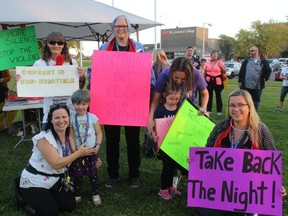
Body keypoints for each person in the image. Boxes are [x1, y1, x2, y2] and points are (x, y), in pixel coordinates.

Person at [198, 89, 287, 215]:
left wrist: (278, 184)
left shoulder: (260, 130)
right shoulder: (221, 126)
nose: (236, 109)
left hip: (249, 187)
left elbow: (272, 160)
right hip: (221, 185)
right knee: (208, 213)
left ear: (249, 107)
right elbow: (208, 151)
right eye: (232, 105)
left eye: (241, 105)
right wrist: (198, 160)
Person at [99, 15, 155, 188]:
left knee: (133, 141)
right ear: (113, 28)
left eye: (124, 26)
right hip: (111, 104)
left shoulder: (138, 48)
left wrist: (149, 90)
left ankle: (134, 175)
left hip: (133, 104)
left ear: (128, 28)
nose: (120, 29)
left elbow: (149, 74)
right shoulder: (104, 48)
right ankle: (113, 175)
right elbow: (96, 72)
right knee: (112, 140)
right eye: (117, 26)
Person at [19, 103, 98, 216]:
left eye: (64, 117)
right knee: (51, 212)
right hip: (35, 181)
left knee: (69, 205)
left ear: (68, 118)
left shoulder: (70, 137)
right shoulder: (44, 138)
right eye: (57, 117)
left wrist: (94, 160)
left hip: (55, 179)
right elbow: (56, 164)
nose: (61, 120)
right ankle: (26, 202)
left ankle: (45, 199)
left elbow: (79, 154)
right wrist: (78, 153)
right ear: (51, 120)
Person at [15, 31, 86, 127]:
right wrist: (21, 81)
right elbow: (31, 84)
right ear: (47, 44)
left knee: (71, 139)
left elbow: (79, 87)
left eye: (60, 43)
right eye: (52, 42)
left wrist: (81, 76)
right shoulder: (39, 64)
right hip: (50, 109)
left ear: (64, 45)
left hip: (70, 109)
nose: (56, 45)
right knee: (49, 139)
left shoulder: (71, 63)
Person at [147, 57, 209, 136]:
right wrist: (150, 118)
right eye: (176, 77)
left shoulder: (196, 75)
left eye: (183, 79)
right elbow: (155, 101)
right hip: (167, 114)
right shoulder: (164, 75)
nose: (179, 81)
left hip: (189, 113)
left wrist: (204, 108)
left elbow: (205, 94)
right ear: (171, 72)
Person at [69, 90, 103, 205]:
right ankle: (77, 194)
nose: (80, 107)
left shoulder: (93, 118)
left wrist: (98, 145)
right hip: (78, 153)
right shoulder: (72, 119)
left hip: (91, 151)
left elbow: (99, 133)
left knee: (93, 174)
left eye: (83, 104)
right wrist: (74, 151)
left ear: (88, 104)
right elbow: (71, 137)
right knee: (77, 175)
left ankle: (95, 194)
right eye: (77, 104)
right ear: (73, 104)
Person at [153, 83, 182, 200]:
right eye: (171, 98)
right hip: (164, 145)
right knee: (167, 167)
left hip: (176, 144)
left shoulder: (180, 110)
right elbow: (155, 127)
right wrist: (154, 136)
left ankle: (171, 186)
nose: (174, 101)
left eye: (177, 99)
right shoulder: (160, 110)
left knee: (174, 166)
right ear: (165, 95)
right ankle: (163, 189)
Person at [238, 46, 271, 111]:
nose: (250, 52)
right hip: (246, 86)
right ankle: (246, 114)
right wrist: (240, 81)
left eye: (252, 51)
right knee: (245, 101)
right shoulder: (246, 61)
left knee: (256, 102)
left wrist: (265, 78)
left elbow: (268, 71)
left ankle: (254, 117)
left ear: (257, 51)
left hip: (257, 86)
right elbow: (241, 71)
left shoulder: (263, 61)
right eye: (250, 51)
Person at [204, 50, 226, 115]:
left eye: (216, 55)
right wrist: (204, 80)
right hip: (209, 80)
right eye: (213, 54)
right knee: (209, 95)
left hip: (217, 80)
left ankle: (219, 111)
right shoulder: (207, 62)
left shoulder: (220, 62)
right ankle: (209, 109)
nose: (215, 56)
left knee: (218, 95)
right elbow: (205, 72)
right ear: (211, 55)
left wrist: (221, 67)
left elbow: (224, 71)